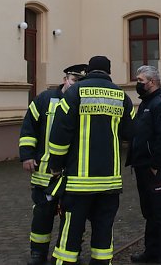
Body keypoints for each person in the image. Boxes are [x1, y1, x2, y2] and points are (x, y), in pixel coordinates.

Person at [47, 56, 133, 265]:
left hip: (79, 182)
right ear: (109, 71)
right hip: (110, 182)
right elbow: (130, 132)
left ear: (89, 71)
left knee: (71, 231)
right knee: (104, 231)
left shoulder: (75, 93)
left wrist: (56, 167)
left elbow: (60, 134)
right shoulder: (122, 96)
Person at [19, 63, 87, 265]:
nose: (76, 86)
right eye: (74, 81)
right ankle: (38, 254)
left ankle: (66, 253)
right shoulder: (45, 99)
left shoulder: (84, 102)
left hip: (73, 173)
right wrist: (27, 155)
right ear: (66, 79)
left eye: (80, 83)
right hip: (44, 173)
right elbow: (29, 127)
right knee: (42, 215)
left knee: (72, 219)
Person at [126, 65, 161, 265]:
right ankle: (152, 252)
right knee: (149, 212)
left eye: (140, 80)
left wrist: (156, 165)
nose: (137, 84)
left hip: (155, 168)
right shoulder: (146, 103)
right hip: (142, 166)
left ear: (152, 82)